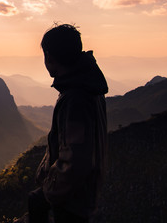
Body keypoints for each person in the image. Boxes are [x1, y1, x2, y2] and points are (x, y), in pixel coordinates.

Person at [27, 23, 108, 223]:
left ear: (50, 57)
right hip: (82, 192)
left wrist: (51, 192)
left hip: (73, 199)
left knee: (35, 201)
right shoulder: (87, 86)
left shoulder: (76, 98)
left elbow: (76, 158)